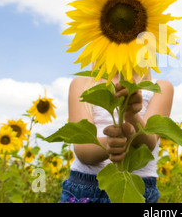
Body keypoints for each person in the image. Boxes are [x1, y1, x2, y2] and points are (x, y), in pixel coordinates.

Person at [59, 70, 174, 203]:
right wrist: (109, 144)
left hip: (137, 190)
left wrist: (131, 114)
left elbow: (148, 144)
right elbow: (82, 148)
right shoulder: (82, 84)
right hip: (85, 187)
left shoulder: (160, 87)